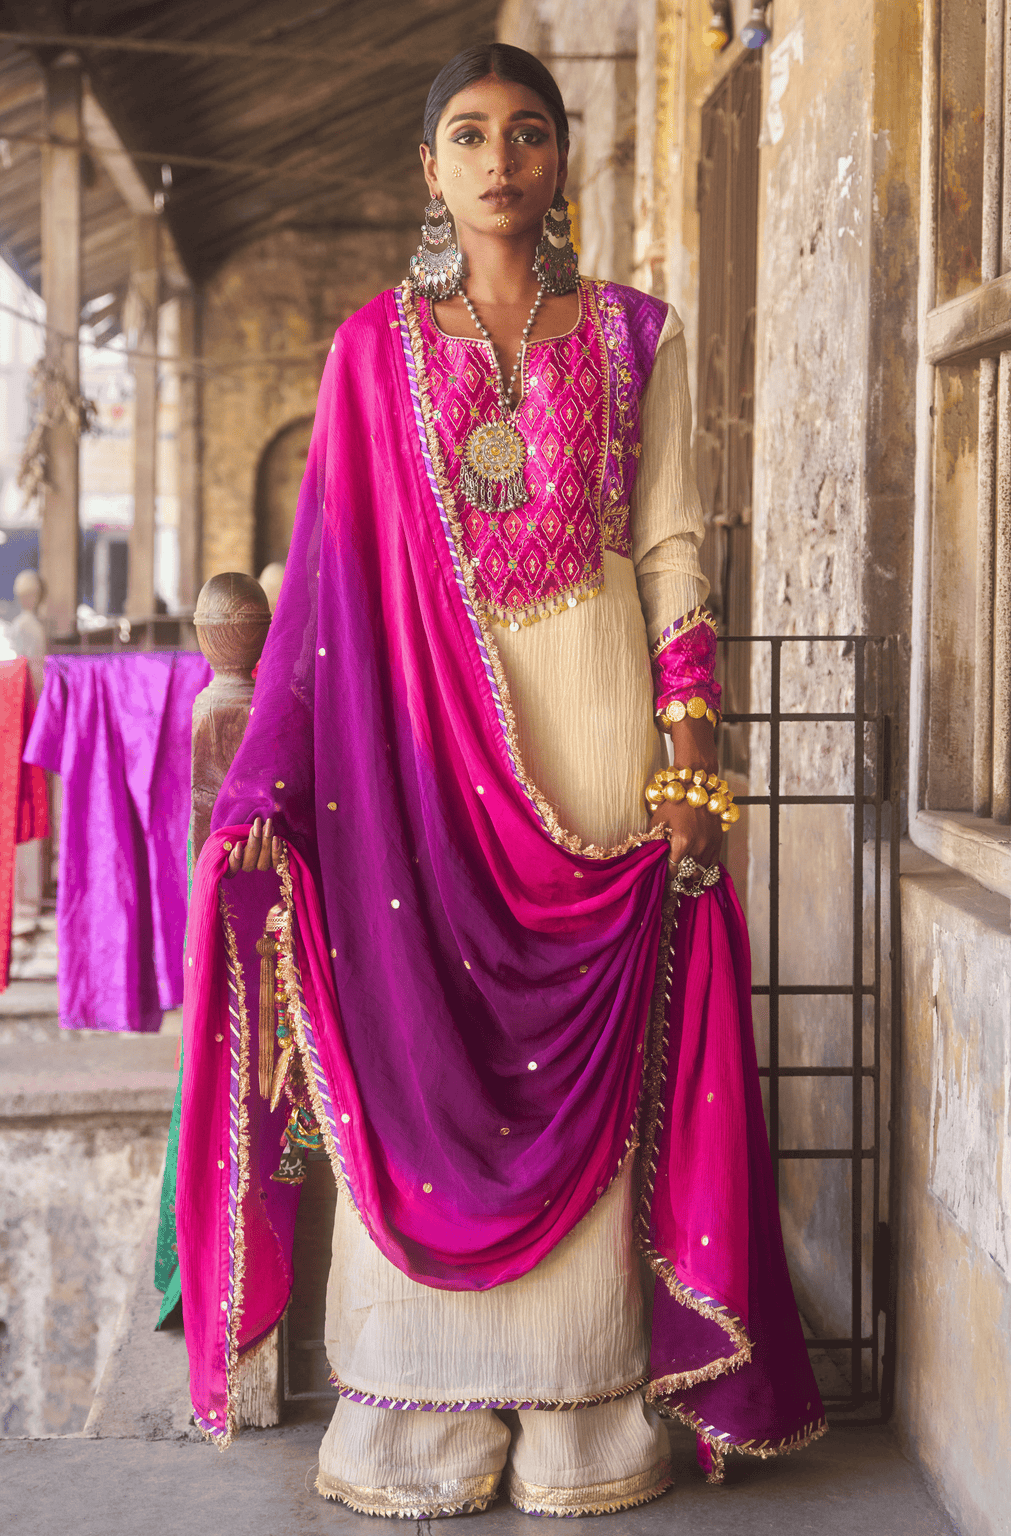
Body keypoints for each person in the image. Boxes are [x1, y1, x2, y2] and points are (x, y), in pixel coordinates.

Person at [169, 43, 824, 1517]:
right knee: (425, 1042)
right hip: (414, 759)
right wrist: (272, 786)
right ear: (429, 170)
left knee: (586, 1070)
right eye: (468, 135)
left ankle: (587, 1419)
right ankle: (415, 1422)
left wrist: (693, 729)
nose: (499, 158)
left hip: (593, 734)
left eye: (529, 132)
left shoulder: (640, 334)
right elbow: (333, 576)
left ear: (562, 158)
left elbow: (670, 546)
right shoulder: (367, 350)